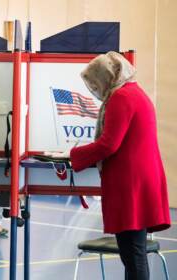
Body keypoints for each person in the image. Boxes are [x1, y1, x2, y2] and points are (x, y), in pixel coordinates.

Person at [55, 51, 170, 280]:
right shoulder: (134, 92)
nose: (95, 88)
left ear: (107, 77)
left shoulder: (121, 97)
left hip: (131, 184)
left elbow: (109, 144)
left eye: (96, 82)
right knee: (133, 254)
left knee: (133, 255)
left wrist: (73, 155)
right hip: (141, 180)